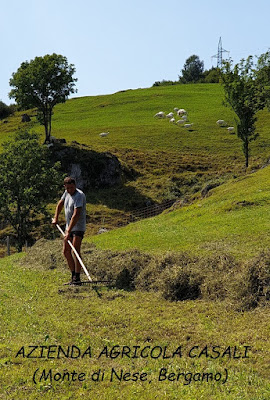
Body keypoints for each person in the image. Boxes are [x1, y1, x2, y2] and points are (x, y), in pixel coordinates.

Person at [52, 177, 86, 285]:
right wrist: (56, 218)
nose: (70, 190)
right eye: (68, 188)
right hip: (69, 227)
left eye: (72, 188)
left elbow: (76, 215)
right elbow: (60, 204)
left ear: (75, 186)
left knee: (75, 250)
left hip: (78, 227)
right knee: (66, 251)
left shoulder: (79, 195)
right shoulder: (66, 193)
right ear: (65, 187)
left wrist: (68, 231)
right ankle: (73, 276)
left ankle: (78, 277)